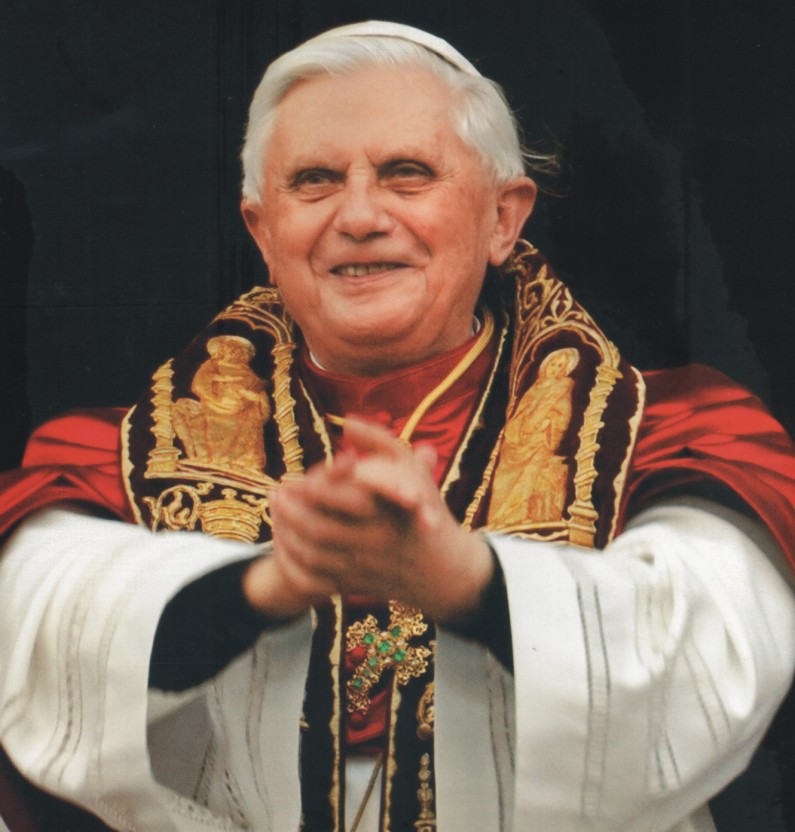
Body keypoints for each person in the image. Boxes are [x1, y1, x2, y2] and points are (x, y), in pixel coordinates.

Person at [1, 20, 795, 832]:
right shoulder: (121, 452)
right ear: (262, 234)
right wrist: (264, 585)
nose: (358, 215)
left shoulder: (668, 432)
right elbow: (32, 614)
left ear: (502, 218)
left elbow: (718, 640)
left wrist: (467, 580)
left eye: (406, 174)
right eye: (313, 181)